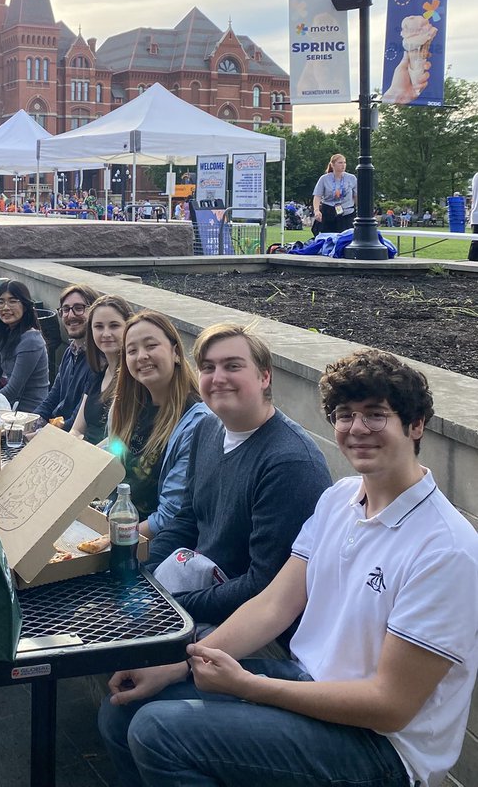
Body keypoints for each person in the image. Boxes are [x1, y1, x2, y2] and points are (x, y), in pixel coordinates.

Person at [99, 348, 478, 787]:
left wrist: (248, 687)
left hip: (382, 748)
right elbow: (274, 604)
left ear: (415, 426)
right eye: (344, 415)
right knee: (123, 709)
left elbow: (390, 705)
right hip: (308, 682)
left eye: (376, 415)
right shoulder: (339, 499)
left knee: (160, 731)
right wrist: (178, 664)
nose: (357, 429)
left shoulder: (446, 548)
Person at [146, 323, 332, 632]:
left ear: (264, 376)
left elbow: (263, 586)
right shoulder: (206, 429)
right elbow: (188, 518)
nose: (218, 378)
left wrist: (170, 604)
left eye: (233, 366)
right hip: (193, 594)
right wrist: (145, 576)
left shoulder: (290, 464)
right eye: (208, 367)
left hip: (250, 629)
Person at [105, 311, 209, 536]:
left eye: (151, 346)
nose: (141, 356)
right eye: (132, 351)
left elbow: (169, 515)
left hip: (151, 541)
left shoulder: (196, 422)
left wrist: (112, 540)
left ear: (176, 353)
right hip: (112, 521)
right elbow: (108, 458)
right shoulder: (126, 408)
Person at [35, 285, 102, 430]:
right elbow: (53, 397)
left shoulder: (98, 361)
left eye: (79, 308)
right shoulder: (70, 351)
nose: (70, 315)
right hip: (55, 428)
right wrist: (31, 423)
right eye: (65, 310)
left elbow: (79, 418)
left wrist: (43, 433)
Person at [0, 279, 50, 412]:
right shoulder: (5, 334)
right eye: (0, 302)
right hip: (10, 408)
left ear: (25, 305)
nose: (5, 307)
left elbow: (13, 390)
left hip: (28, 413)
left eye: (12, 301)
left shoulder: (31, 339)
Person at [73, 294, 133, 444]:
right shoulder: (97, 374)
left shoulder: (134, 379)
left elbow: (119, 441)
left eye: (114, 326)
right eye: (99, 327)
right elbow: (77, 429)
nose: (106, 334)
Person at [311, 152, 357, 234]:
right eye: (340, 163)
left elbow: (356, 196)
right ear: (332, 164)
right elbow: (317, 196)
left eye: (344, 162)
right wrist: (317, 210)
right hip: (329, 212)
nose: (343, 165)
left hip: (347, 212)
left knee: (347, 237)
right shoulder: (324, 179)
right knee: (327, 236)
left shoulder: (351, 178)